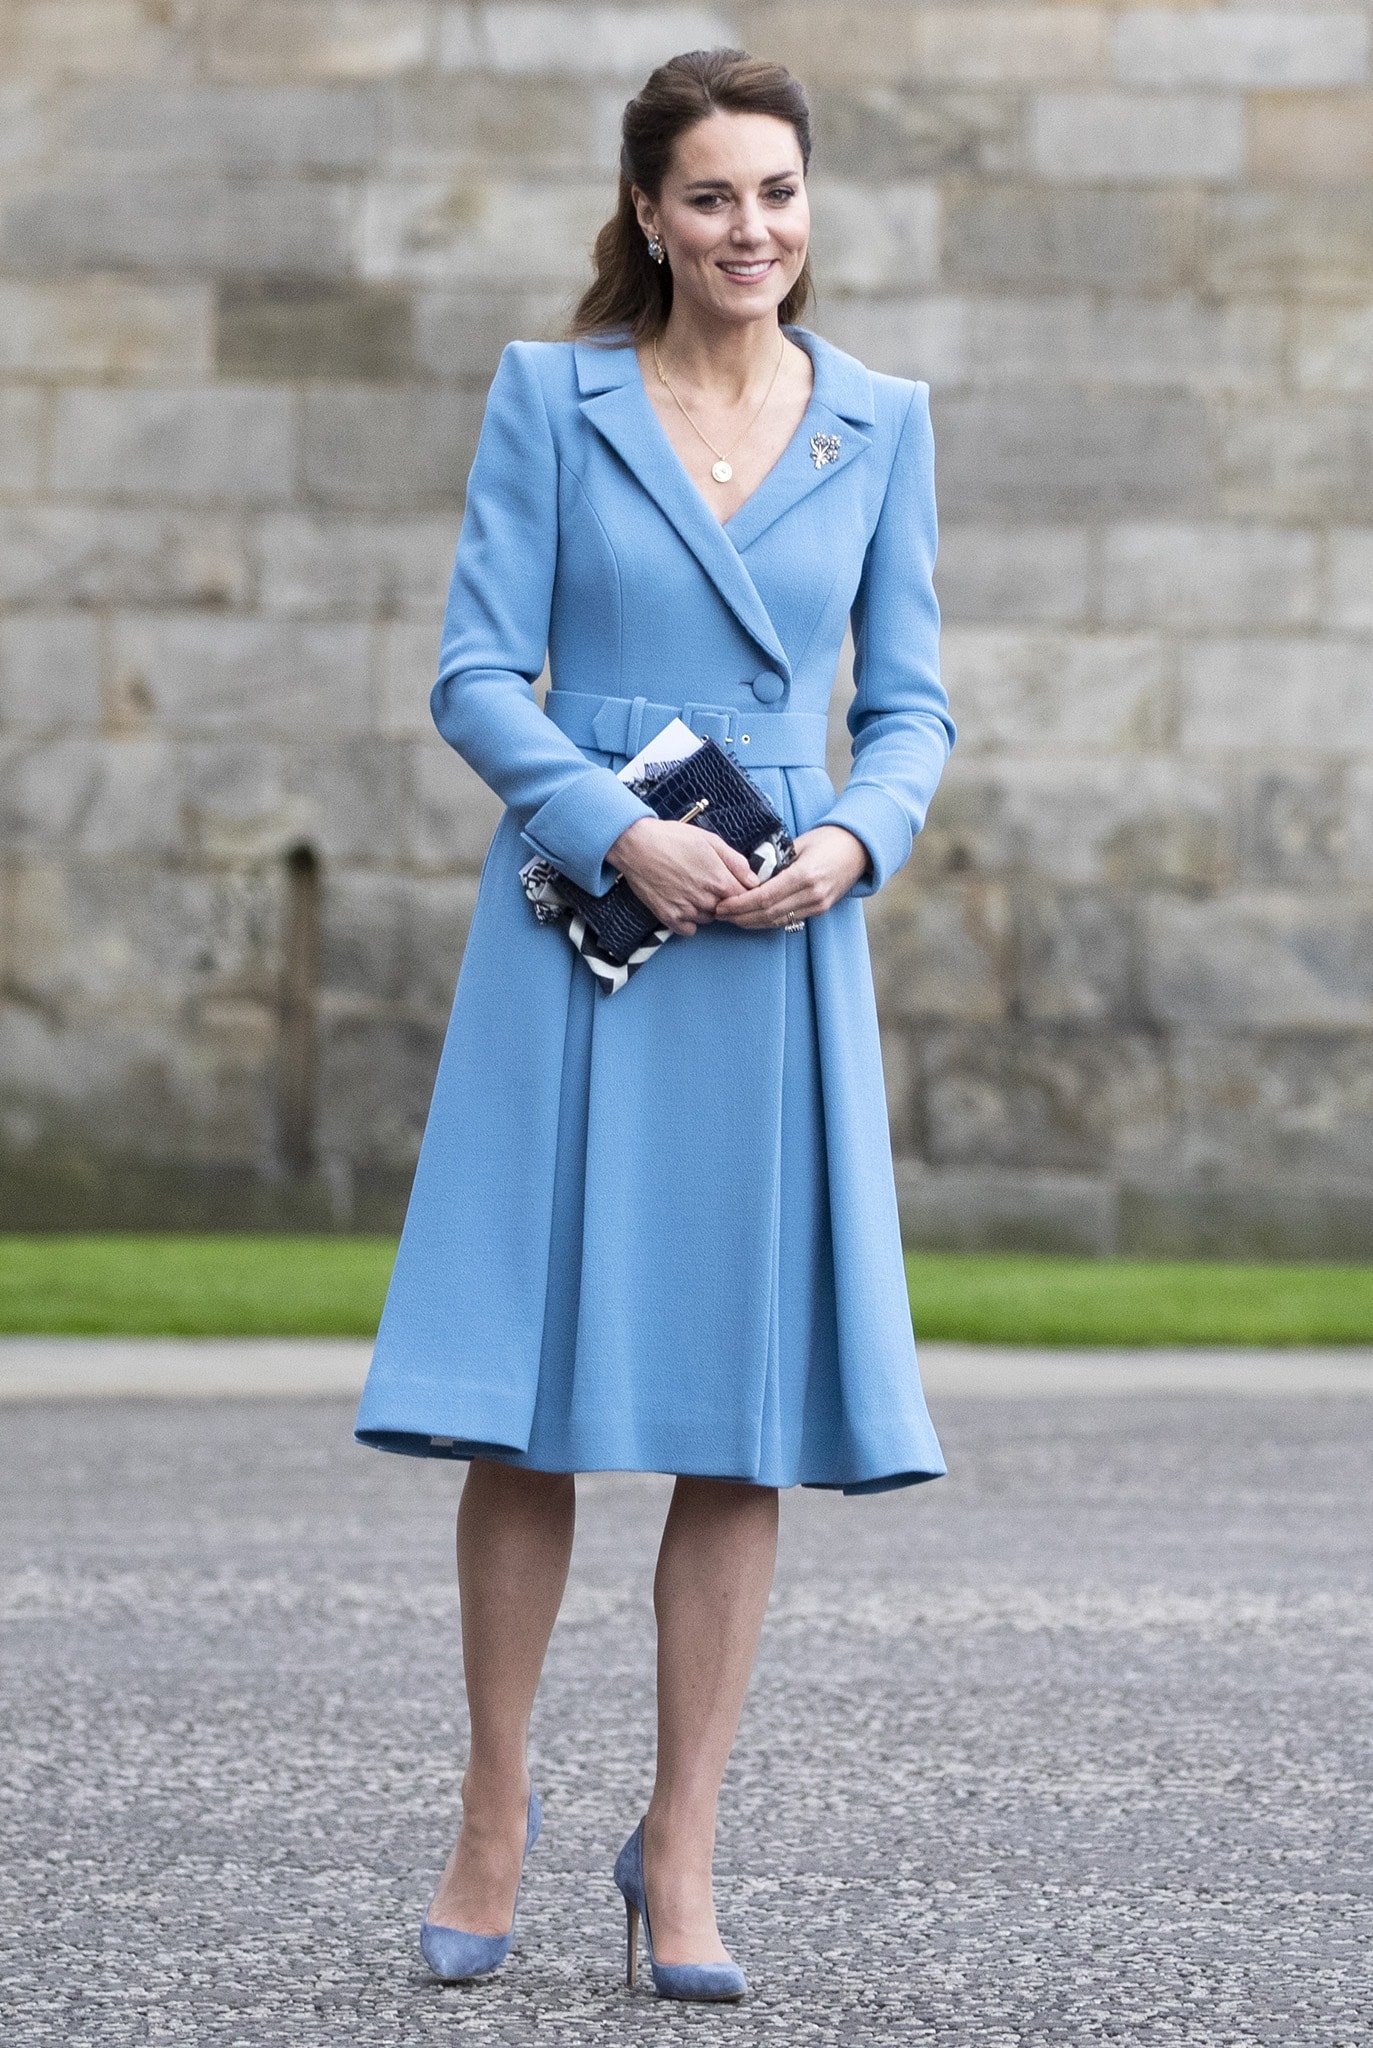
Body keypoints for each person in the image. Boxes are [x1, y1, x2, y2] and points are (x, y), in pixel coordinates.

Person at [352, 45, 956, 2003]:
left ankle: (679, 1848)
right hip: (578, 924)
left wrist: (854, 843)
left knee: (733, 1413)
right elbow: (471, 670)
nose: (751, 231)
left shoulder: (882, 422)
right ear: (646, 213)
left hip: (776, 941)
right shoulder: (554, 396)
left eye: (778, 194)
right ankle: (494, 1807)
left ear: (810, 207)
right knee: (533, 1407)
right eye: (711, 197)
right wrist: (617, 822)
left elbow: (913, 706)